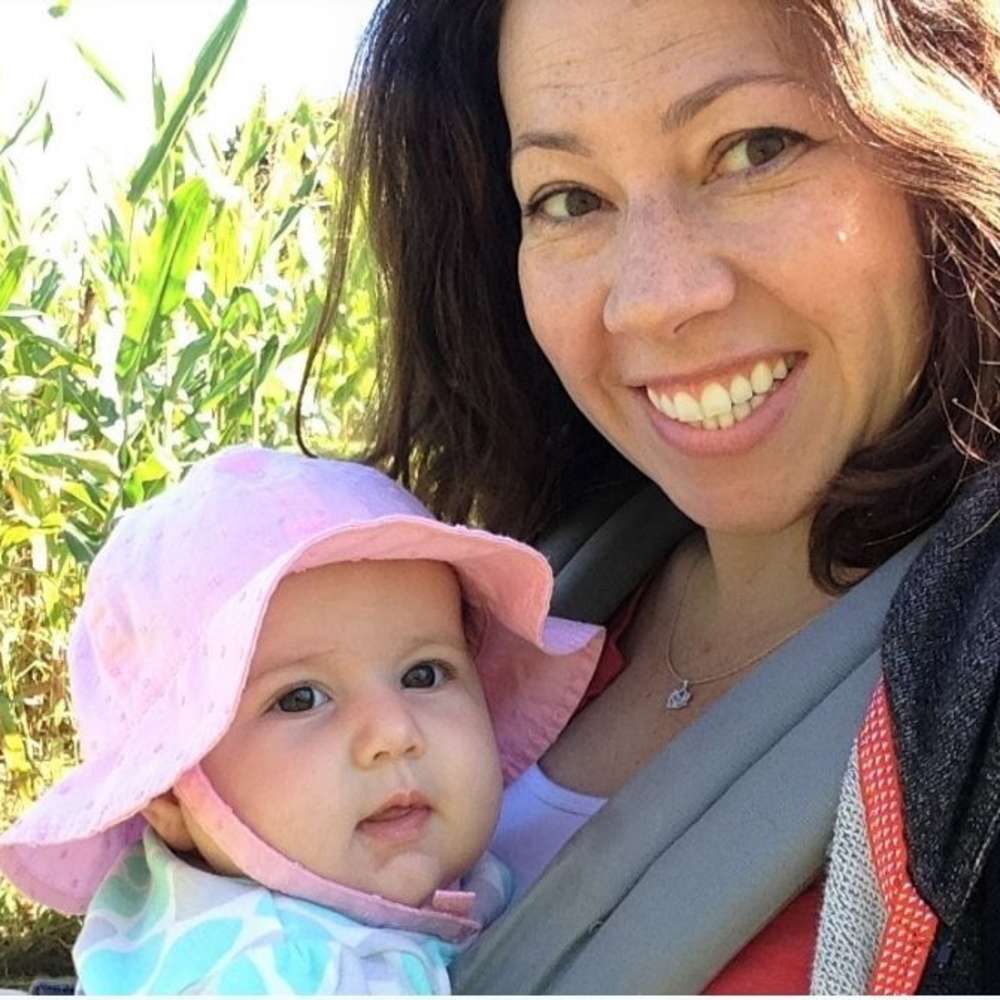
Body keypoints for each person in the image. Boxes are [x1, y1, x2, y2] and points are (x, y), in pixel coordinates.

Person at [304, 0, 1000, 992]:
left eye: (755, 148)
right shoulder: (513, 598)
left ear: (944, 124)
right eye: (568, 198)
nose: (655, 297)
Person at [0, 446, 604, 994]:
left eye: (423, 675)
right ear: (170, 794)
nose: (393, 734)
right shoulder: (282, 972)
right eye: (300, 699)